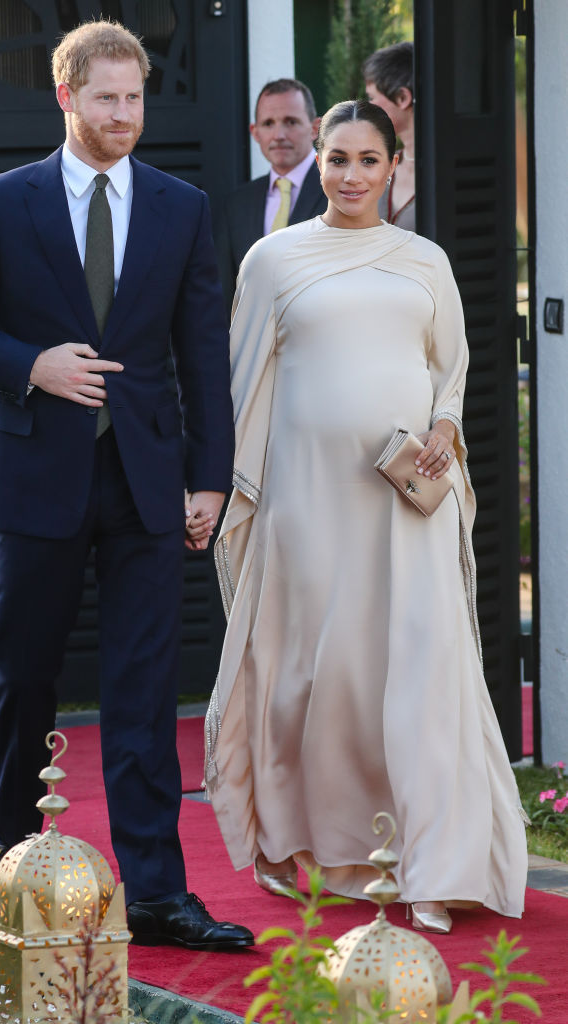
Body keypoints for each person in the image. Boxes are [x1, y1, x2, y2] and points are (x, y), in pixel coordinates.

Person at [0, 19, 253, 952]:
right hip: (35, 479)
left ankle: (155, 896)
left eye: (135, 98)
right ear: (67, 96)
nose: (125, 115)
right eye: (106, 98)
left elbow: (201, 357)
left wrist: (209, 480)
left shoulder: (180, 207)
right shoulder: (2, 200)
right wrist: (31, 364)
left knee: (143, 693)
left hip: (148, 483)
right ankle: (19, 876)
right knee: (23, 681)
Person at [204, 99, 527, 934]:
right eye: (336, 158)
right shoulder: (271, 261)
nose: (350, 176)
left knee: (424, 672)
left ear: (392, 167)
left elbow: (449, 373)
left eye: (367, 161)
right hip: (306, 506)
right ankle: (311, 850)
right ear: (316, 160)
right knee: (319, 678)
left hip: (406, 500)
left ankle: (435, 864)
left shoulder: (425, 261)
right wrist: (231, 492)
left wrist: (445, 435)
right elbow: (239, 387)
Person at [215, 78, 325, 310]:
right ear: (255, 132)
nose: (279, 135)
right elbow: (225, 292)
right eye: (268, 124)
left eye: (290, 122)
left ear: (315, 128)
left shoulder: (338, 191)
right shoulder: (237, 205)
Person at [363, 41, 415, 229]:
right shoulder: (381, 168)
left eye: (372, 98)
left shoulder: (446, 173)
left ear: (402, 98)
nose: (368, 107)